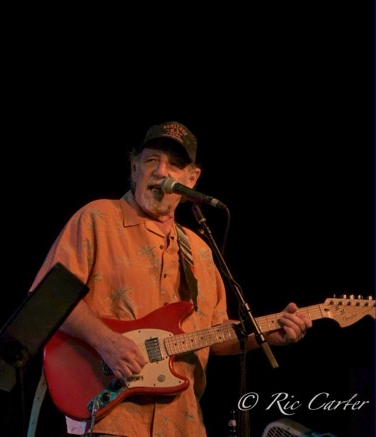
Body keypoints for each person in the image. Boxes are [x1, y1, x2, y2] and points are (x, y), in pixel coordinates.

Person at [30, 121, 313, 436]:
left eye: (175, 165)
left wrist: (269, 334)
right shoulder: (98, 218)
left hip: (183, 423)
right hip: (111, 416)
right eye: (151, 160)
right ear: (135, 168)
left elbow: (214, 333)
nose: (161, 171)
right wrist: (106, 341)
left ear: (192, 178)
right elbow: (45, 297)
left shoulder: (200, 250)